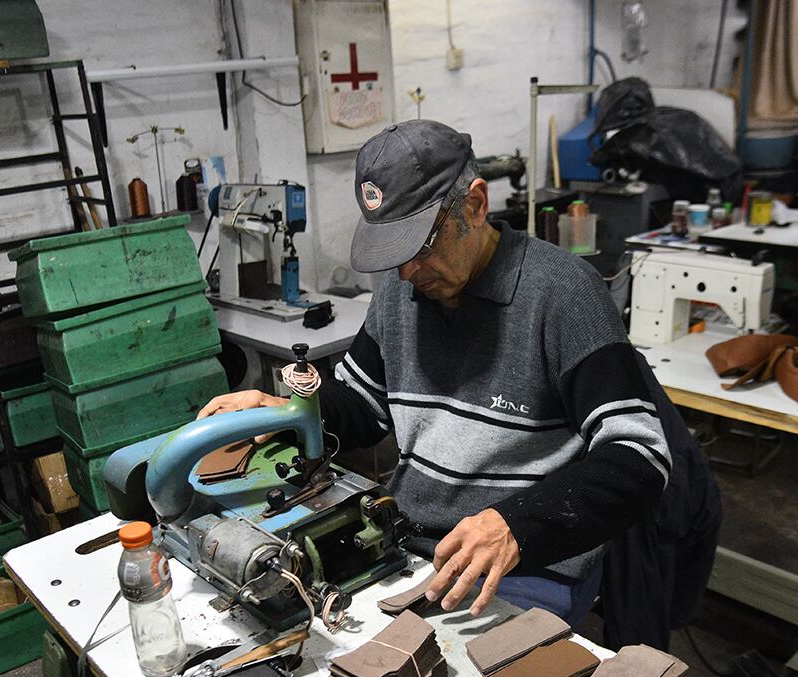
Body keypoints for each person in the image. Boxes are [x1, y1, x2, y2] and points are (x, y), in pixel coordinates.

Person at [199, 120, 719, 643]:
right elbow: (360, 406)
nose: (407, 273)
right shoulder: (399, 293)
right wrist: (284, 412)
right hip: (409, 546)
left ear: (474, 205)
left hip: (525, 567)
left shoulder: (563, 294)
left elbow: (639, 456)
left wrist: (517, 526)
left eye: (421, 245)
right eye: (393, 253)